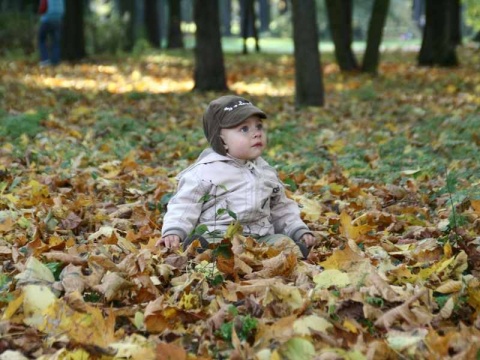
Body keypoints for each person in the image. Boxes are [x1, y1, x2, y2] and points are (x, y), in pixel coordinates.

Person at [157, 95, 316, 258]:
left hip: (261, 237)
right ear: (221, 139)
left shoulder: (265, 171)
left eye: (259, 126)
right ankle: (204, 251)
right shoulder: (205, 172)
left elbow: (281, 207)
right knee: (211, 245)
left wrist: (297, 229)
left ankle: (290, 253)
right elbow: (185, 205)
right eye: (244, 129)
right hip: (220, 235)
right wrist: (174, 231)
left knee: (283, 244)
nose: (256, 134)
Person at [38, 0, 65, 66]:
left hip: (46, 19)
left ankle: (45, 59)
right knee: (56, 41)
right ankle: (55, 61)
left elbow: (42, 7)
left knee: (41, 39)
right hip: (58, 19)